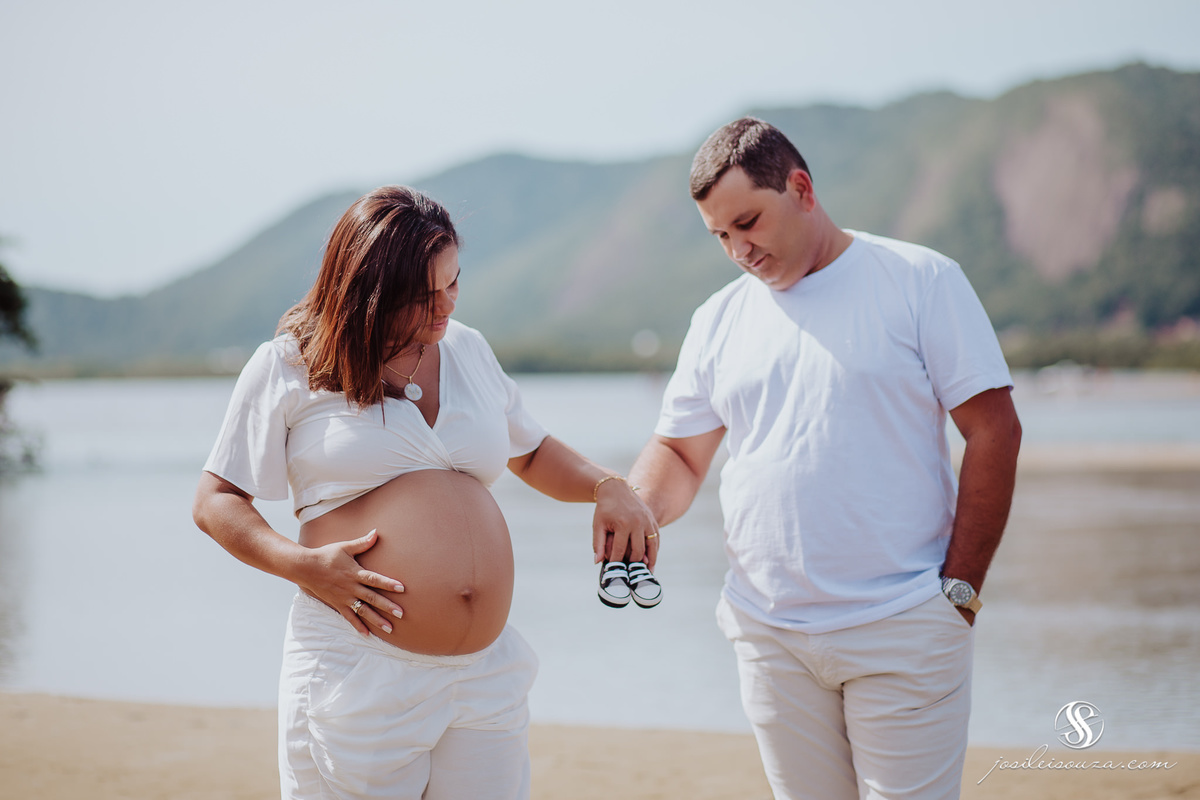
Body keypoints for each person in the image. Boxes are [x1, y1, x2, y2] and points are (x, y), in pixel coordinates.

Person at [192, 185, 658, 800]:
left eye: (454, 284)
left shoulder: (466, 349)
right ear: (366, 291)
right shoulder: (290, 366)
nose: (444, 308)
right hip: (358, 667)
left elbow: (533, 451)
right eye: (422, 296)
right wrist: (303, 567)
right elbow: (216, 499)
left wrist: (609, 485)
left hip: (483, 677)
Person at [602, 118, 1022, 799]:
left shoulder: (920, 280)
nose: (739, 249)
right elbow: (680, 451)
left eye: (748, 222)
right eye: (720, 237)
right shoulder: (717, 318)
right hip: (768, 635)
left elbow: (995, 430)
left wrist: (960, 595)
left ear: (801, 188)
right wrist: (638, 508)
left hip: (904, 622)